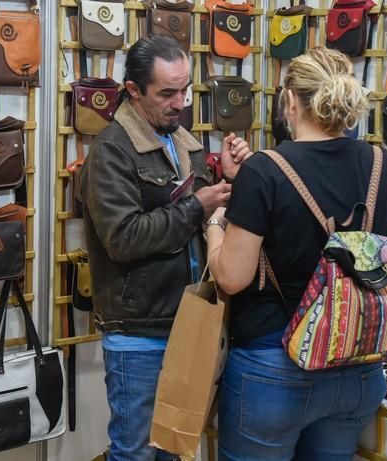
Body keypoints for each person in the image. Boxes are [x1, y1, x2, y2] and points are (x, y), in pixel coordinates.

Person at [206, 47, 387, 461]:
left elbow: (232, 277)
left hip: (275, 368)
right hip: (357, 368)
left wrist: (215, 228)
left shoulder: (265, 169)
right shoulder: (385, 164)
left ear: (290, 101)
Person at [80, 34, 251, 461]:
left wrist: (228, 179)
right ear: (134, 90)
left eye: (186, 89)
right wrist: (200, 204)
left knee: (173, 449)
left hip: (186, 324)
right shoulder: (111, 151)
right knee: (135, 453)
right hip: (137, 333)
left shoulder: (181, 140)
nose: (181, 102)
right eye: (168, 93)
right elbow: (124, 238)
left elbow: (196, 213)